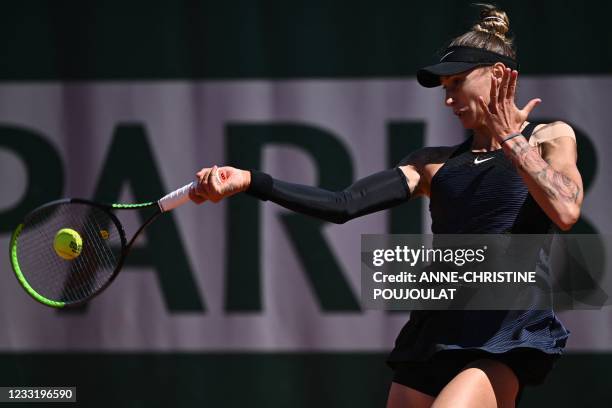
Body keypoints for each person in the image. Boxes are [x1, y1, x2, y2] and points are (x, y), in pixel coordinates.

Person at [190, 4, 583, 407]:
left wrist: (510, 139)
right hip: (435, 334)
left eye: (456, 83)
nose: (448, 99)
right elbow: (343, 205)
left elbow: (566, 210)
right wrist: (251, 180)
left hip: (503, 336)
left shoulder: (549, 137)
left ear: (498, 75)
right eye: (444, 88)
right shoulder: (432, 164)